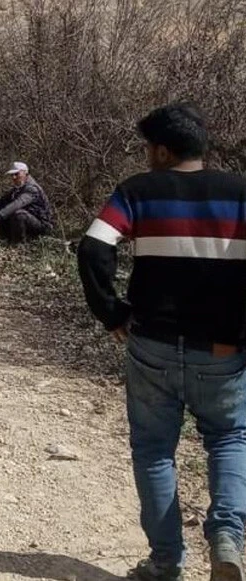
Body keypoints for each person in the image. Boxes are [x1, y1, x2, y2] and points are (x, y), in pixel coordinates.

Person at [77, 103, 246, 581]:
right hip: (222, 349)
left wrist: (112, 312)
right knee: (229, 438)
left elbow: (93, 248)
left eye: (148, 148)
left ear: (164, 151)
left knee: (153, 450)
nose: (146, 156)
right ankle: (227, 536)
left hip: (152, 341)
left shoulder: (137, 191)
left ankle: (166, 562)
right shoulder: (240, 193)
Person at [0, 162, 54, 243]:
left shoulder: (32, 188)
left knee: (18, 214)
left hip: (42, 225)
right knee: (1, 208)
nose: (14, 177)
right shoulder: (19, 188)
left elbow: (17, 204)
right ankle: (2, 239)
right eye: (12, 175)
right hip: (29, 222)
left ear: (25, 173)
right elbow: (1, 200)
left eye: (17, 174)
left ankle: (19, 246)